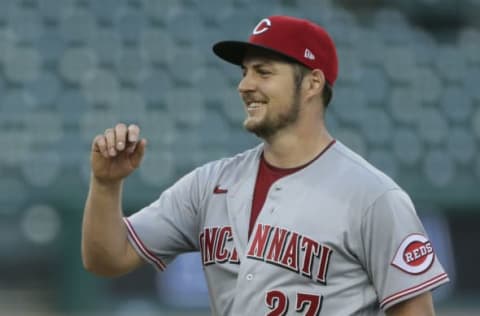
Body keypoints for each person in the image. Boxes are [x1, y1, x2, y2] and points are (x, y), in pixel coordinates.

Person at [82, 15, 449, 315]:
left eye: (263, 71)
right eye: (244, 72)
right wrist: (105, 185)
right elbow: (107, 258)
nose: (244, 85)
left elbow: (416, 311)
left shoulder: (373, 196)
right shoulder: (209, 185)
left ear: (312, 83)